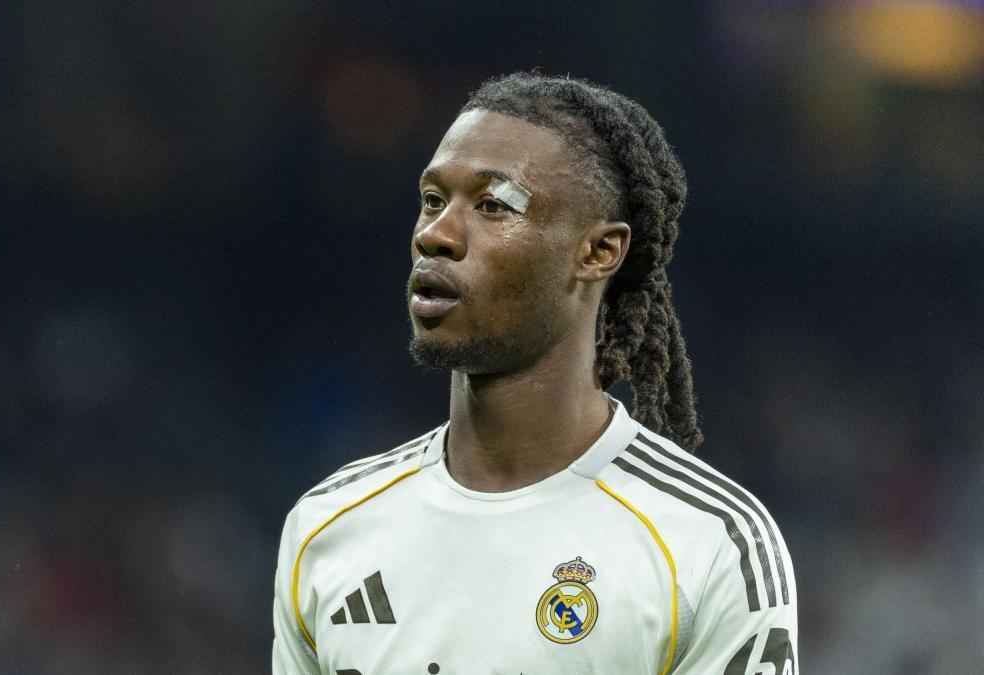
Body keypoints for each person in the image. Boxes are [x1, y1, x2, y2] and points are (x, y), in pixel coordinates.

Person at [271, 72, 797, 674]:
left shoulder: (711, 545)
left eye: (493, 206)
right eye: (433, 200)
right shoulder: (328, 527)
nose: (436, 235)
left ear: (598, 252)